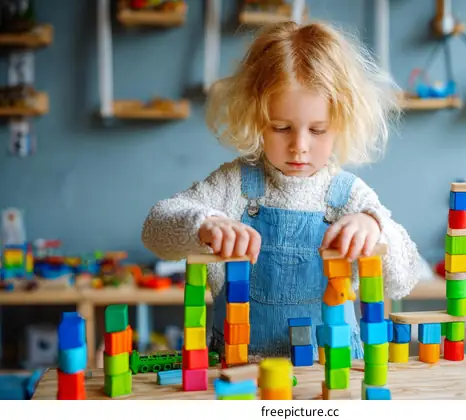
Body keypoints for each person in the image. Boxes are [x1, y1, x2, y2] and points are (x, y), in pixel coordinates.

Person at [141, 20, 422, 360]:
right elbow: (155, 229)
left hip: (330, 371)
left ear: (342, 122)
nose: (299, 146)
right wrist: (204, 223)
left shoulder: (349, 195)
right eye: (281, 128)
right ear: (257, 118)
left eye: (317, 130)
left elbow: (404, 277)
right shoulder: (235, 185)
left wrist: (374, 227)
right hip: (242, 369)